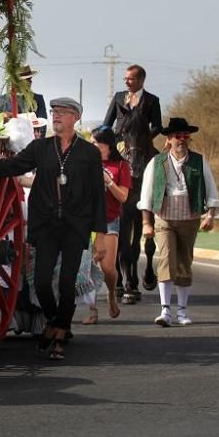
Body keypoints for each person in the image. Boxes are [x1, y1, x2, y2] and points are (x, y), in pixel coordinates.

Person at [0, 97, 106, 360]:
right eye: (55, 112)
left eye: (63, 112)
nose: (56, 116)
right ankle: (54, 322)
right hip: (46, 226)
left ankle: (59, 334)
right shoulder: (40, 148)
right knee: (44, 284)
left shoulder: (89, 153)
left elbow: (98, 196)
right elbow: (8, 167)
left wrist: (100, 235)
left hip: (75, 227)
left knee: (68, 284)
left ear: (75, 118)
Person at [138, 117, 219, 327]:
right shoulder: (156, 163)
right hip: (164, 219)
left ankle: (182, 311)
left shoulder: (198, 161)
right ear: (169, 139)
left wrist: (210, 215)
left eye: (185, 136)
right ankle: (165, 311)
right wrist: (146, 223)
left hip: (189, 218)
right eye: (177, 136)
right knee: (166, 259)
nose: (182, 140)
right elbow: (146, 195)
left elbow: (211, 189)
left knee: (184, 262)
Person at [102, 64, 163, 303]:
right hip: (120, 146)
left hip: (143, 144)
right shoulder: (118, 98)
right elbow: (108, 123)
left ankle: (160, 200)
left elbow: (157, 125)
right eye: (125, 78)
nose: (126, 82)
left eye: (131, 79)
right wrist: (116, 140)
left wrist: (146, 135)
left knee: (162, 165)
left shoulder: (151, 100)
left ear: (141, 80)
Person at [83, 127, 131, 323]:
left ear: (107, 145)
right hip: (86, 220)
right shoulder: (85, 163)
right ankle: (92, 311)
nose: (93, 146)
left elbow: (123, 196)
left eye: (96, 143)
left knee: (107, 268)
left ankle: (111, 293)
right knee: (87, 268)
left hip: (110, 220)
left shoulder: (121, 165)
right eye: (91, 142)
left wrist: (109, 182)